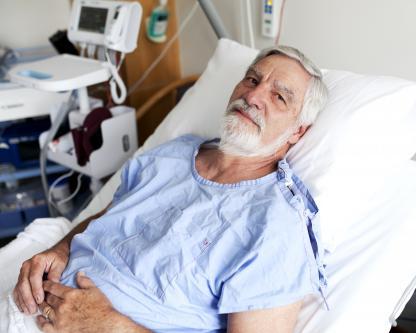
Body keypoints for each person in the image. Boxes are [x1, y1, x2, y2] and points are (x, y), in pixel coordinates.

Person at [10, 45, 329, 333]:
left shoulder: (276, 227)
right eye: (252, 80)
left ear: (298, 132)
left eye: (279, 97)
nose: (254, 96)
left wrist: (113, 327)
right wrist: (60, 250)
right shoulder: (172, 155)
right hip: (27, 304)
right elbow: (106, 217)